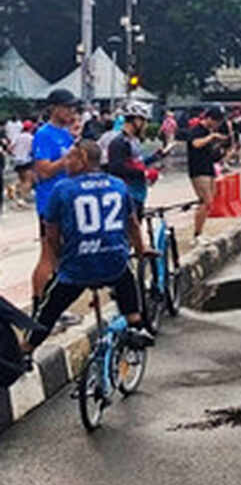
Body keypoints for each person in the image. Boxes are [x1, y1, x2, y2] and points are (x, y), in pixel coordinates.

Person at [22, 141, 156, 354]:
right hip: (113, 263)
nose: (66, 163)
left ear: (83, 159)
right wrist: (141, 249)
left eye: (70, 157)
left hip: (77, 267)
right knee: (124, 275)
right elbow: (133, 224)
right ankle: (136, 324)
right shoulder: (118, 185)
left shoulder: (63, 189)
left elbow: (52, 234)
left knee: (48, 310)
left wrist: (58, 259)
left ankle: (27, 349)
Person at [31, 89, 80, 302]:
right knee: (48, 255)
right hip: (49, 203)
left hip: (66, 201)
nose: (72, 112)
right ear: (55, 108)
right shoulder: (44, 134)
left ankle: (54, 303)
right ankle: (38, 301)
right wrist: (67, 160)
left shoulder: (66, 134)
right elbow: (43, 170)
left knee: (62, 256)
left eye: (73, 108)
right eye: (68, 107)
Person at [105, 102, 167, 244]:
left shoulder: (134, 141)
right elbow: (117, 168)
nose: (145, 126)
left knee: (134, 238)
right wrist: (144, 174)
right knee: (128, 238)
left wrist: (155, 157)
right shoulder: (119, 142)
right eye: (144, 121)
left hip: (138, 194)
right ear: (136, 120)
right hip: (127, 195)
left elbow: (137, 163)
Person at [187, 107, 229, 238]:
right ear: (209, 118)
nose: (217, 125)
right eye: (216, 122)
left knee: (210, 201)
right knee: (206, 201)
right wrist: (211, 137)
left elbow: (211, 154)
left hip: (208, 168)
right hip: (198, 170)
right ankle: (197, 234)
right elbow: (196, 144)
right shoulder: (197, 130)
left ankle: (200, 230)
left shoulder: (208, 132)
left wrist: (224, 151)